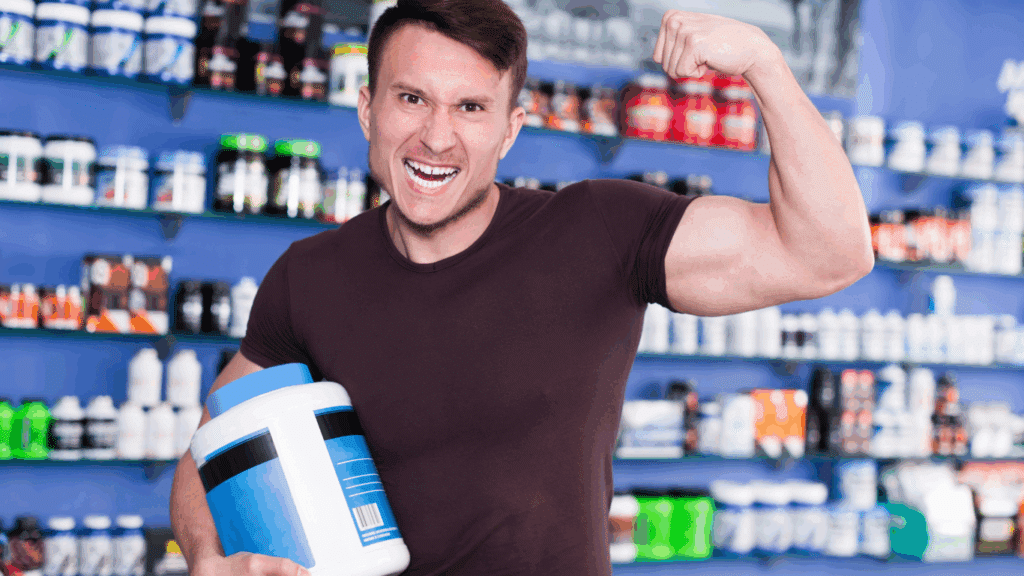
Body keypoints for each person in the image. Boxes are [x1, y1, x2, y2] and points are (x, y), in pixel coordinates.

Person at [169, 1, 873, 575]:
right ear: (368, 111)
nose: (436, 138)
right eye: (412, 99)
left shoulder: (598, 229)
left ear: (511, 131)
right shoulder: (310, 274)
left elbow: (828, 254)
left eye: (471, 109)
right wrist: (208, 556)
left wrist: (765, 66)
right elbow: (212, 450)